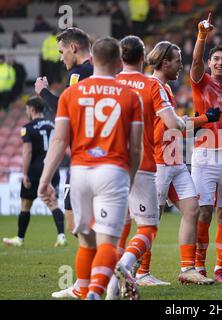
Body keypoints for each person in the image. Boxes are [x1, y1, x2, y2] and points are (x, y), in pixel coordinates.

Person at [38, 36, 144, 300]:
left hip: (80, 172)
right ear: (120, 62)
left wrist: (45, 178)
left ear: (92, 59)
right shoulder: (131, 96)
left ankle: (85, 290)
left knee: (85, 239)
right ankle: (96, 292)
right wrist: (128, 179)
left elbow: (60, 140)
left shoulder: (71, 94)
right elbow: (136, 148)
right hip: (112, 170)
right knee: (107, 241)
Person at [130, 40, 219, 285]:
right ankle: (141, 273)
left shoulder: (163, 88)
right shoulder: (154, 87)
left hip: (174, 162)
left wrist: (200, 121)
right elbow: (168, 130)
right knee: (151, 219)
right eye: (178, 61)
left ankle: (187, 269)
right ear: (164, 62)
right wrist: (203, 120)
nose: (181, 66)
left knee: (193, 209)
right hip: (157, 163)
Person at [106, 35, 172, 296]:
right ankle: (126, 265)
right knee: (147, 227)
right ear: (143, 57)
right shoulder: (151, 85)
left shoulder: (109, 84)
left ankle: (111, 289)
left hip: (111, 165)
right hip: (142, 163)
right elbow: (170, 122)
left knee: (117, 228)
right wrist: (185, 124)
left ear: (120, 58)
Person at [35, 27, 94, 300]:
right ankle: (104, 274)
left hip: (85, 159)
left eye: (61, 52)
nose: (60, 58)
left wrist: (44, 93)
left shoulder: (80, 73)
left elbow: (66, 110)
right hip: (100, 160)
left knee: (81, 226)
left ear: (73, 48)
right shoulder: (97, 72)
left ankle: (96, 279)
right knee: (80, 225)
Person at [190, 14, 222, 283]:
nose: (220, 63)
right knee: (204, 211)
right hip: (205, 154)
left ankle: (220, 269)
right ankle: (199, 267)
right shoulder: (203, 82)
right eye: (216, 59)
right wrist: (202, 36)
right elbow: (195, 63)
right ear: (210, 63)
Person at [3, 97, 66, 247]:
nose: (26, 112)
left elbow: (27, 152)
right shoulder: (54, 125)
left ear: (32, 109)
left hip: (35, 170)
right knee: (53, 203)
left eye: (26, 110)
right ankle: (61, 236)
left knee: (25, 204)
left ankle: (20, 239)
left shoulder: (28, 127)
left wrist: (24, 174)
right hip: (52, 169)